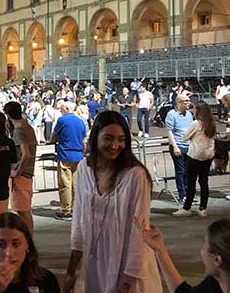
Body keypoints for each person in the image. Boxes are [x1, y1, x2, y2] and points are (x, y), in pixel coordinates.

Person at [64, 111, 162, 293]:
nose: (115, 145)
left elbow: (139, 232)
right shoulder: (84, 169)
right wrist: (72, 270)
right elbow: (78, 223)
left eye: (121, 139)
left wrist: (129, 282)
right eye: (108, 138)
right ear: (95, 138)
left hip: (127, 266)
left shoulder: (135, 175)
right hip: (94, 263)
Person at [141, 218, 230, 293]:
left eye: (205, 245)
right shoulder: (215, 284)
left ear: (217, 260)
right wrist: (159, 249)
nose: (202, 250)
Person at [0, 212, 61, 293]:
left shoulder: (45, 280)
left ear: (27, 244)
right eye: (1, 245)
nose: (9, 253)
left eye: (16, 244)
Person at [172, 101, 216, 218]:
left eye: (195, 109)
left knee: (191, 183)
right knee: (204, 182)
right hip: (208, 156)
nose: (193, 111)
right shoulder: (211, 123)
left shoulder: (196, 123)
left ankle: (187, 208)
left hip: (195, 156)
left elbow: (185, 137)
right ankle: (203, 208)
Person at [3, 101, 37, 235]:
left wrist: (17, 172)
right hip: (28, 173)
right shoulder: (28, 127)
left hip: (22, 175)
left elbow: (26, 154)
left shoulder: (19, 130)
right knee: (25, 210)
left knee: (22, 211)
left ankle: (28, 241)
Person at [50, 101, 86, 222]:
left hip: (65, 155)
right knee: (76, 184)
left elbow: (53, 135)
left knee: (65, 184)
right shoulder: (81, 122)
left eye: (61, 109)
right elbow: (83, 140)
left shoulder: (62, 121)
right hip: (79, 155)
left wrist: (51, 141)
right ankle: (77, 209)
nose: (60, 111)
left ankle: (66, 210)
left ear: (66, 108)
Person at [165, 93, 194, 204]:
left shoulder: (189, 115)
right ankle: (183, 195)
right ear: (179, 103)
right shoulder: (171, 114)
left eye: (188, 100)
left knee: (189, 172)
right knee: (180, 171)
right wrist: (175, 146)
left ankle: (189, 194)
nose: (188, 103)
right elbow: (169, 131)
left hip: (189, 147)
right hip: (178, 146)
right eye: (186, 101)